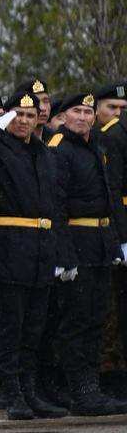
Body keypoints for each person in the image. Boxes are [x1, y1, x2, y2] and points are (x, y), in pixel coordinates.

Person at [0, 88, 68, 419]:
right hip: (9, 245)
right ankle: (12, 394)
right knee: (13, 322)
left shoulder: (42, 152)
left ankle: (29, 390)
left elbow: (54, 203)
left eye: (29, 115)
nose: (23, 121)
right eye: (16, 115)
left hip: (40, 247)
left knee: (35, 325)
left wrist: (61, 252)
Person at [47, 92, 127, 415]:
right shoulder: (59, 150)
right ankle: (79, 388)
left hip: (98, 243)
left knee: (97, 318)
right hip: (76, 243)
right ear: (64, 116)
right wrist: (64, 255)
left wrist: (114, 244)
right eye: (76, 111)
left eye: (88, 112)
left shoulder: (96, 146)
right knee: (77, 320)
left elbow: (106, 199)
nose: (83, 117)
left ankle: (91, 385)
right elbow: (56, 205)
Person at [93, 82, 127, 400]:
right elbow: (112, 192)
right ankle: (108, 375)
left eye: (122, 109)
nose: (118, 114)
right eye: (112, 108)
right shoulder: (106, 139)